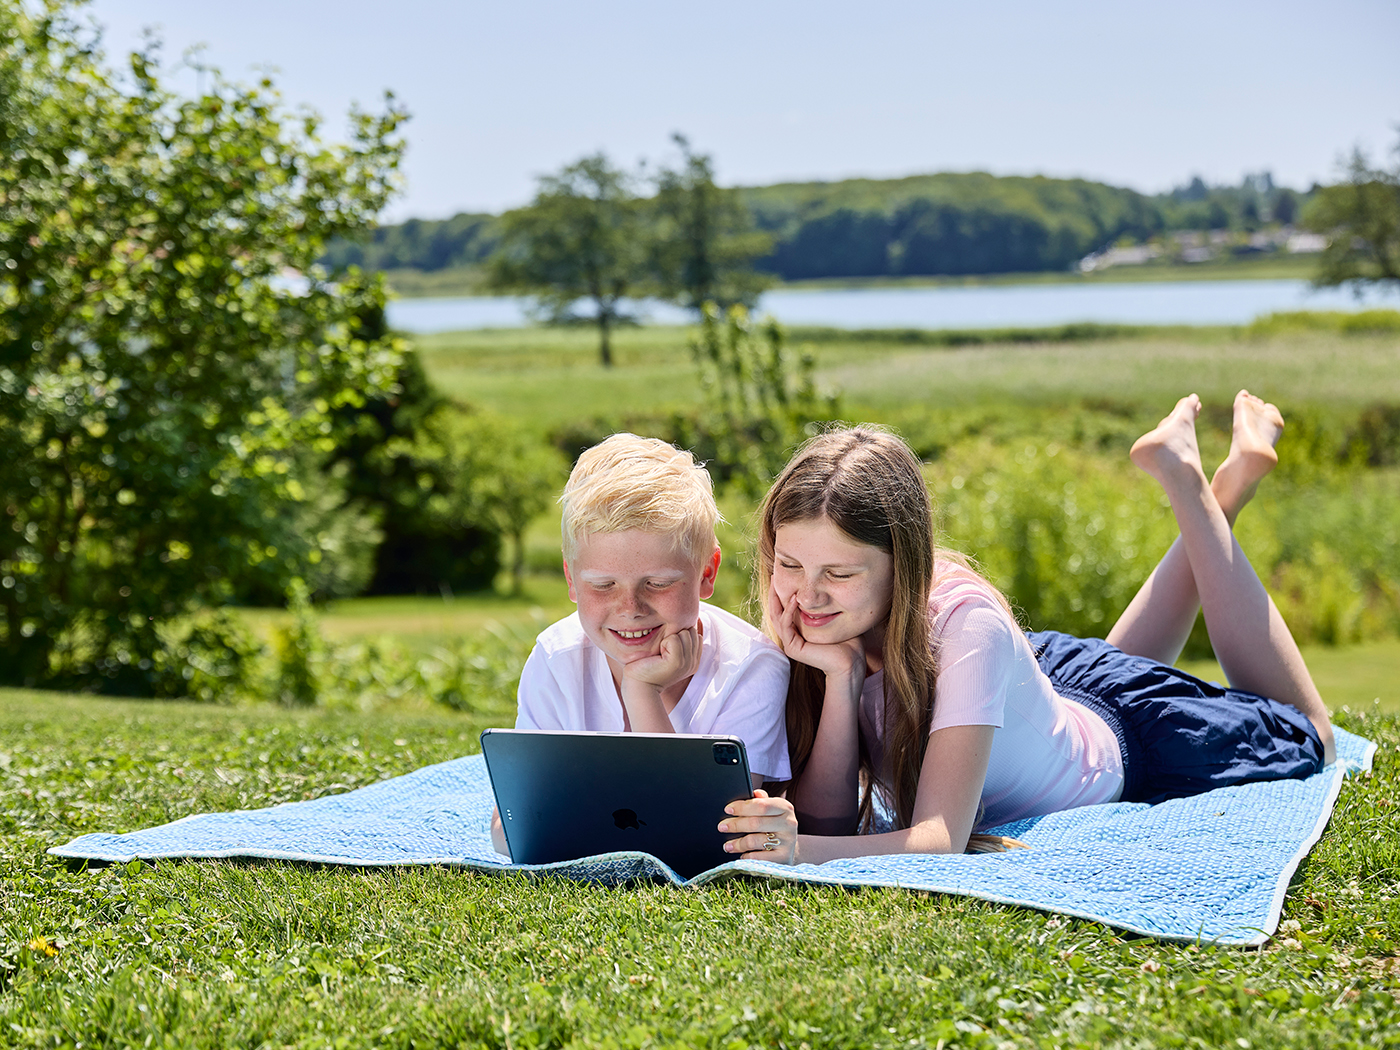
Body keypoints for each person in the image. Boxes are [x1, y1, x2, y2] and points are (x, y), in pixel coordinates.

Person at [717, 392, 1335, 865]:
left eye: (839, 573)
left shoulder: (968, 631)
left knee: (1316, 737)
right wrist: (843, 680)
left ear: (904, 567)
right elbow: (826, 822)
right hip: (1045, 687)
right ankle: (1215, 489)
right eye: (789, 565)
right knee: (1098, 687)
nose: (807, 595)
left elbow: (939, 840)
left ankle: (1199, 488)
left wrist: (796, 854)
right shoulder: (823, 627)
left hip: (1126, 748)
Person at [490, 433, 791, 857]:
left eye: (658, 583)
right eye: (603, 585)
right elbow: (509, 831)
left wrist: (642, 691)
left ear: (707, 573)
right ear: (571, 580)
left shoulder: (753, 668)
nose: (630, 608)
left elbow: (706, 838)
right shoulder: (556, 658)